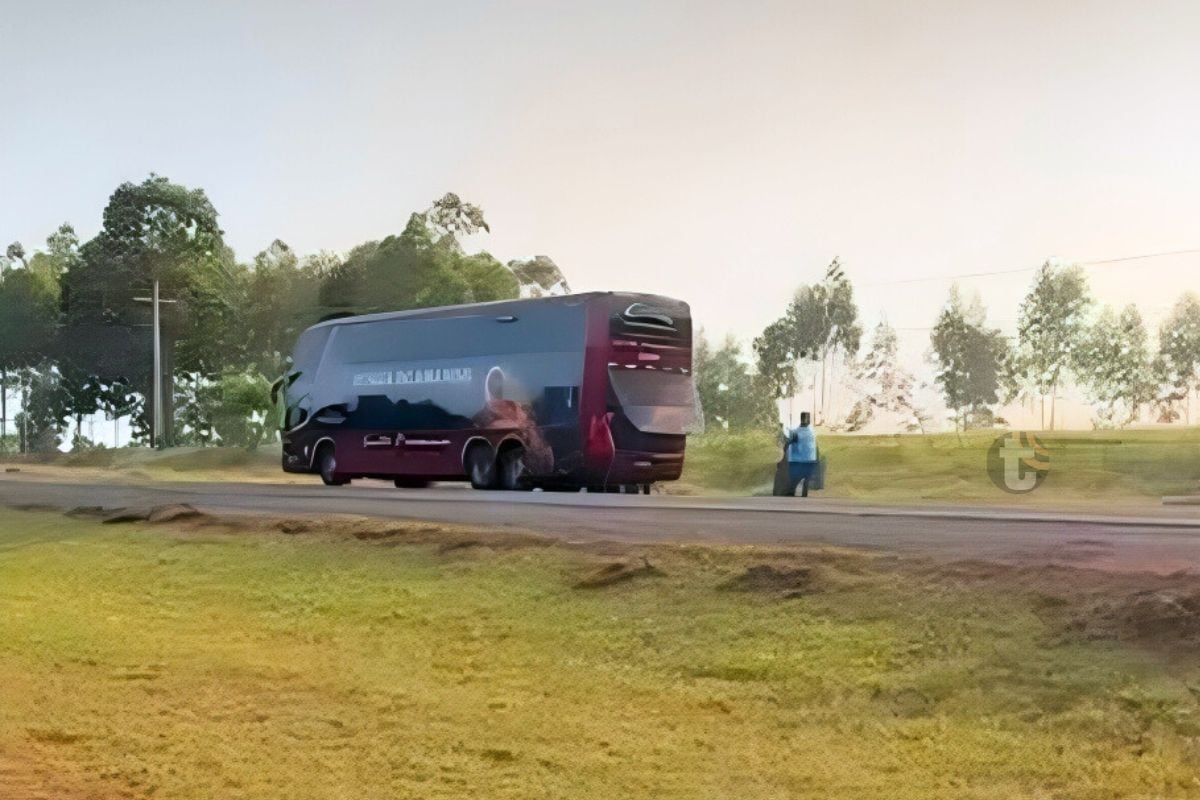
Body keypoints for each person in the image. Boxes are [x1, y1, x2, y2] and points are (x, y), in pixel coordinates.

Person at [775, 412, 819, 497]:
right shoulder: (809, 433)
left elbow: (786, 445)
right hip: (806, 461)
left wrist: (781, 459)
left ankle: (793, 499)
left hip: (800, 462)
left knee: (795, 484)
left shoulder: (799, 432)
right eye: (806, 419)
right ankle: (797, 498)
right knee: (801, 484)